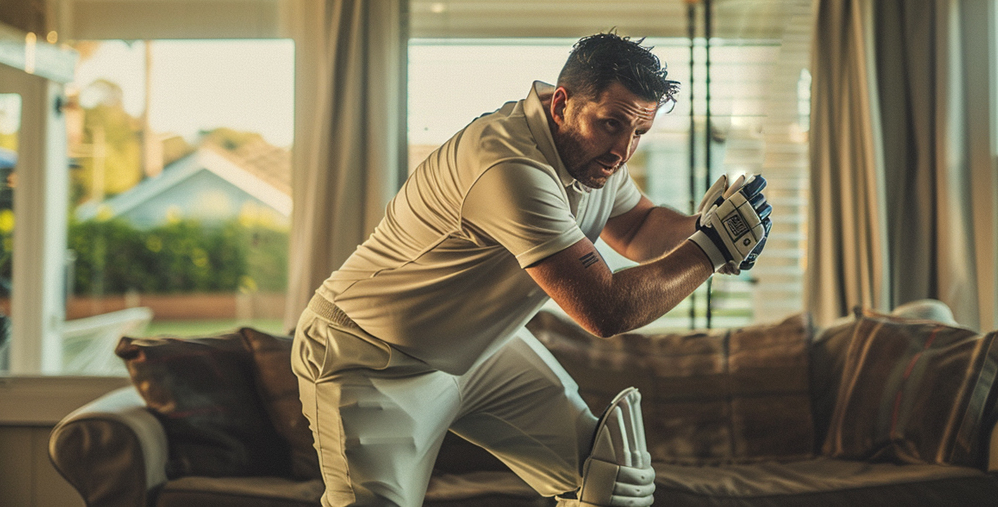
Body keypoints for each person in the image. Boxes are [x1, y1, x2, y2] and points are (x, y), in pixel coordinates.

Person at [291, 32, 772, 507]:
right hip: (370, 355)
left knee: (609, 480)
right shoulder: (509, 165)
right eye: (611, 125)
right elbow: (606, 311)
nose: (623, 151)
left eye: (639, 133)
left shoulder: (592, 155)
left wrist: (704, 228)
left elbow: (640, 226)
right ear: (561, 103)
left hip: (480, 349)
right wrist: (711, 250)